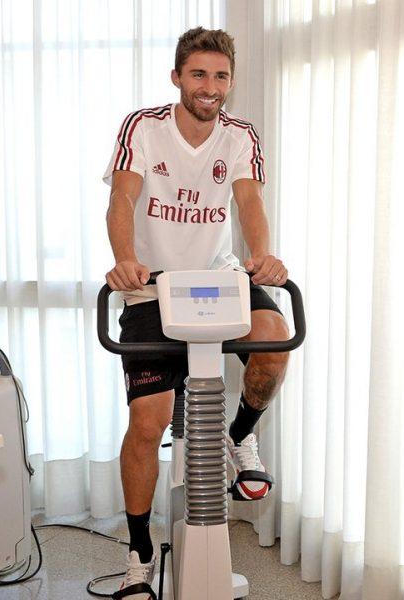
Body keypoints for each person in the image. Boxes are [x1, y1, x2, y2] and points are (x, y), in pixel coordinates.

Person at [103, 27, 290, 599]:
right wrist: (125, 260)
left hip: (217, 277)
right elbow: (122, 197)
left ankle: (240, 436)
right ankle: (138, 556)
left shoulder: (239, 135)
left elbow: (249, 201)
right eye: (199, 74)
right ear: (177, 77)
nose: (210, 86)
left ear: (231, 81)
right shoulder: (144, 127)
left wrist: (261, 256)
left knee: (274, 339)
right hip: (152, 288)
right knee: (149, 421)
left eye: (221, 76)